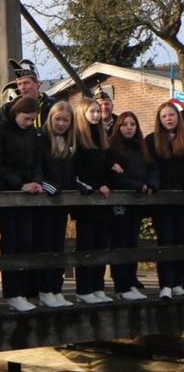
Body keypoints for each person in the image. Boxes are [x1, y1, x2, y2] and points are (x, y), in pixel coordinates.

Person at [0, 95, 45, 312]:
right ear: (16, 114)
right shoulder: (0, 130)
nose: (30, 123)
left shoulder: (31, 134)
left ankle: (24, 290)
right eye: (27, 119)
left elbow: (37, 159)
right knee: (12, 243)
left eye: (33, 120)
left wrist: (37, 181)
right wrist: (19, 184)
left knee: (26, 242)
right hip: (9, 194)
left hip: (28, 192)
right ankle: (13, 292)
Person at [109, 110, 157, 300]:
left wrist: (152, 184)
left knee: (132, 243)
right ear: (119, 127)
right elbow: (115, 176)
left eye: (132, 124)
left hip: (137, 202)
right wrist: (138, 185)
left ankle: (131, 282)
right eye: (125, 124)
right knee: (120, 243)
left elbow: (152, 167)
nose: (129, 127)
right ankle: (121, 286)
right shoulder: (114, 148)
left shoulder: (142, 147)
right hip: (121, 203)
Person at [72, 98, 114, 304]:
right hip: (87, 198)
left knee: (100, 243)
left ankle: (98, 286)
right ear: (83, 113)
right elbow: (80, 169)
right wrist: (97, 185)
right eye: (92, 112)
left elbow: (104, 163)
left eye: (98, 111)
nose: (97, 115)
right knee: (86, 244)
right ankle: (84, 288)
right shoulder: (79, 137)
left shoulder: (101, 137)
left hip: (103, 199)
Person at [35, 101, 76, 308]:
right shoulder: (42, 140)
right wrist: (46, 185)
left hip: (62, 203)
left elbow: (71, 172)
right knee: (46, 245)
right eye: (57, 119)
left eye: (65, 120)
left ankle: (56, 288)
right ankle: (44, 289)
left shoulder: (68, 144)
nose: (60, 124)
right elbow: (36, 167)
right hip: (45, 202)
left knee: (58, 247)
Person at [145, 101, 184, 299]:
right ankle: (165, 284)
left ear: (178, 117)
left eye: (171, 115)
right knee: (166, 239)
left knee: (179, 238)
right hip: (162, 199)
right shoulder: (152, 141)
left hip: (181, 200)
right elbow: (150, 168)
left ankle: (178, 281)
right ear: (159, 120)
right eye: (164, 116)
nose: (168, 119)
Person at [0, 59, 53, 129]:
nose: (22, 88)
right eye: (19, 84)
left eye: (26, 83)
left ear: (37, 83)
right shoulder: (7, 110)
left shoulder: (51, 106)